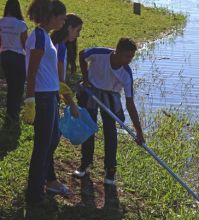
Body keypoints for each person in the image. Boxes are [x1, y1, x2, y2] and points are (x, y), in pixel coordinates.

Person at [73, 38, 145, 186]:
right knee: (89, 127)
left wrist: (139, 131)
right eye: (127, 56)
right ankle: (85, 164)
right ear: (117, 51)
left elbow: (130, 104)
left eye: (132, 57)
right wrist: (85, 78)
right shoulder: (100, 54)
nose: (129, 60)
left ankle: (110, 170)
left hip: (111, 95)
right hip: (91, 90)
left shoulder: (126, 73)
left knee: (110, 132)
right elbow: (81, 55)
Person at [24, 0, 67, 207]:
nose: (64, 21)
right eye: (62, 17)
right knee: (42, 146)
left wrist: (60, 87)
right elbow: (31, 71)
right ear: (52, 16)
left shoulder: (46, 37)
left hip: (50, 95)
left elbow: (45, 69)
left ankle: (43, 182)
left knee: (51, 140)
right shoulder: (39, 37)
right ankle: (34, 194)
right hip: (42, 98)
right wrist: (30, 99)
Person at [0, 0, 27, 123]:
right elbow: (25, 44)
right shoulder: (21, 24)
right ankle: (14, 111)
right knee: (18, 86)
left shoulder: (1, 23)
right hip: (17, 56)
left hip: (4, 55)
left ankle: (10, 111)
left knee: (11, 84)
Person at [51, 13, 83, 117]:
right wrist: (72, 104)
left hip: (52, 92)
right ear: (69, 28)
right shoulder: (60, 48)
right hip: (50, 94)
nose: (78, 35)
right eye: (77, 30)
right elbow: (60, 80)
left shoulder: (60, 45)